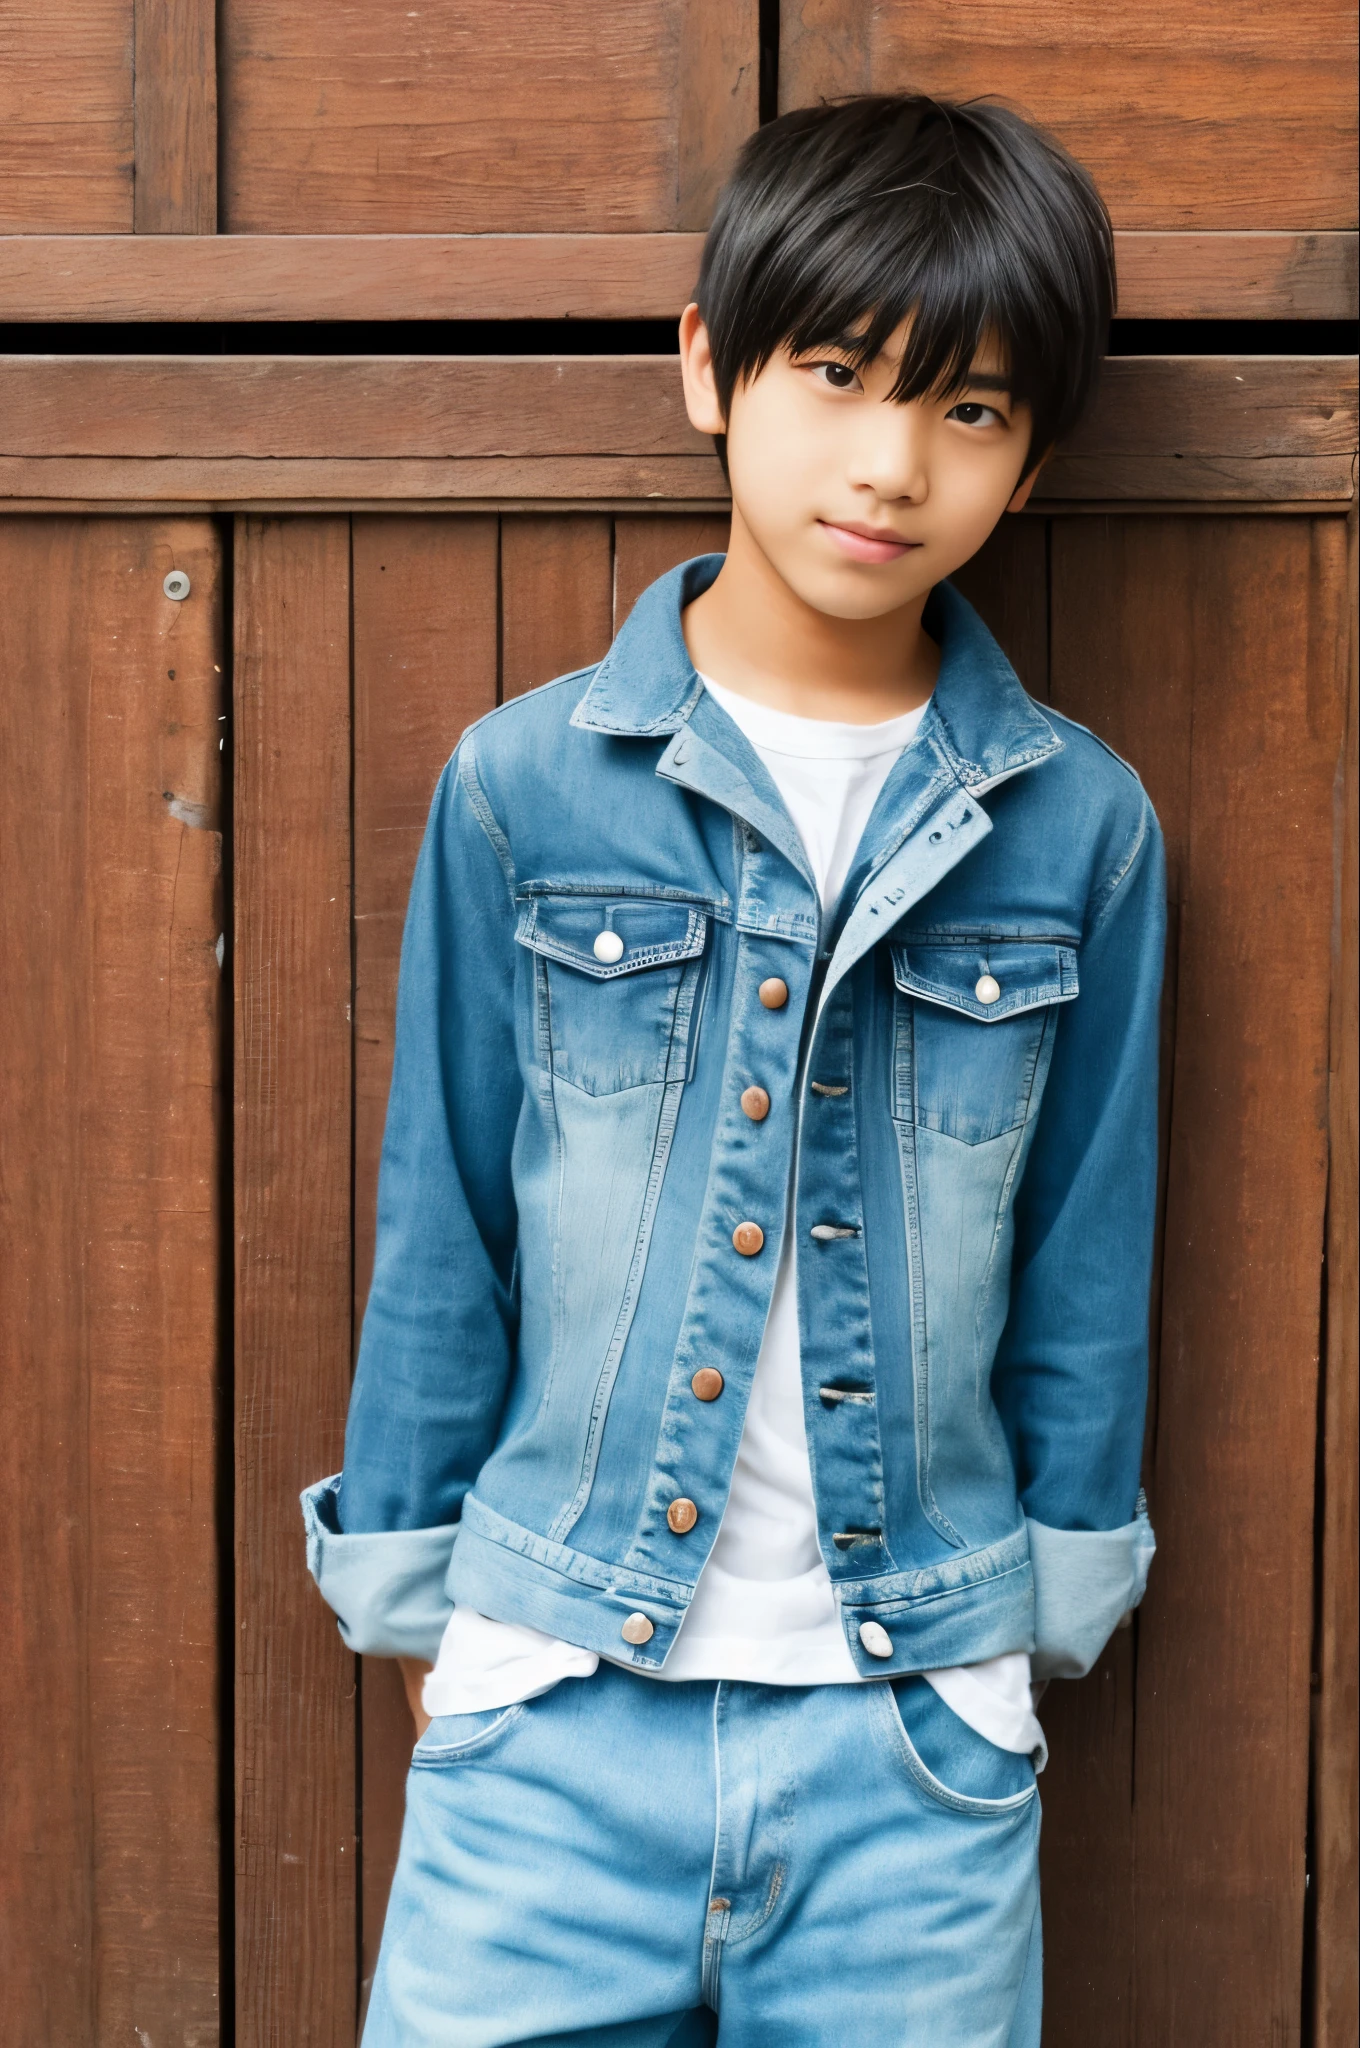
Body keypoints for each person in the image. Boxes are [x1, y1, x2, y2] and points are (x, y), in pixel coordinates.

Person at [302, 92, 1162, 2047]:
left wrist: (1019, 1638)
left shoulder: (1076, 827)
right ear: (704, 365)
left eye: (969, 409)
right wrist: (444, 1616)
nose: (886, 461)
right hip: (552, 1715)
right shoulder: (522, 786)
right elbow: (443, 1214)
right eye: (838, 374)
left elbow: (1083, 1255)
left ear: (1031, 465)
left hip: (910, 1746)